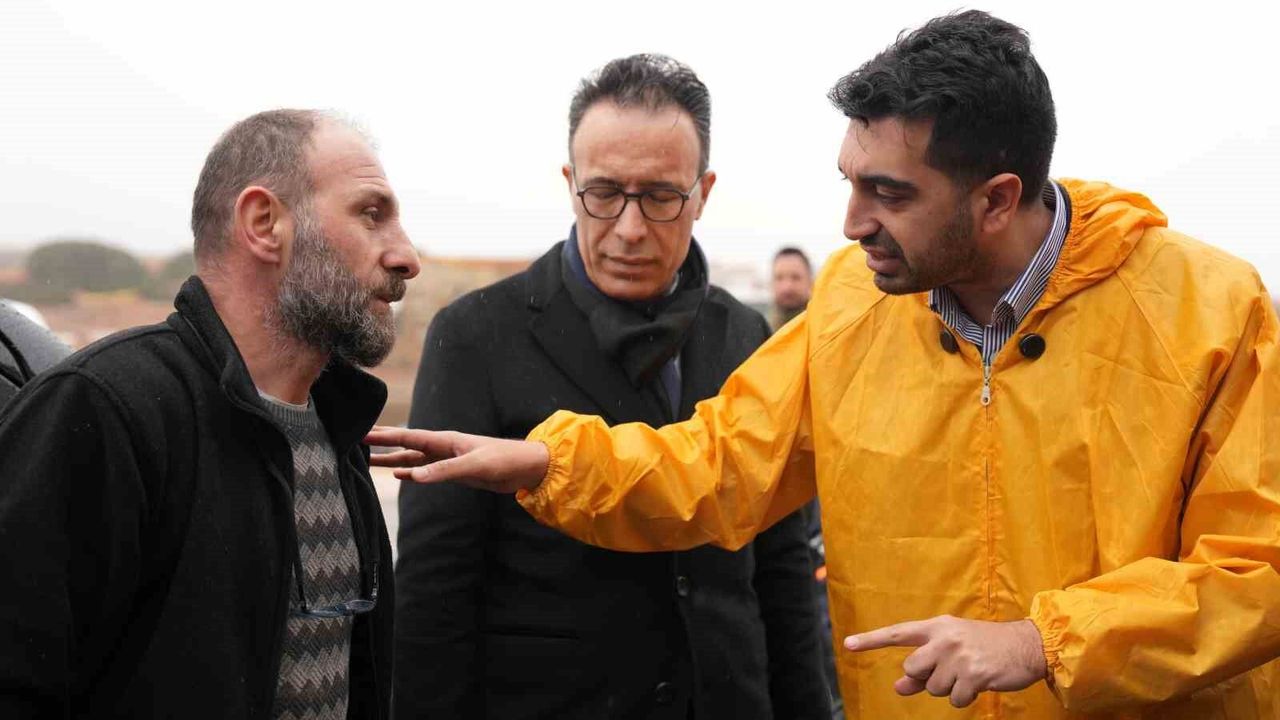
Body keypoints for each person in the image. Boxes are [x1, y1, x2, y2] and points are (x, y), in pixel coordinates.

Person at [369, 11, 1280, 719]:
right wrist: (554, 462)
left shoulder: (1212, 310)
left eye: (888, 193)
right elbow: (724, 463)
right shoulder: (850, 302)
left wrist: (1045, 642)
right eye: (849, 180)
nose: (851, 223)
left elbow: (1260, 572)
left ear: (998, 199)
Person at [393, 54, 828, 720]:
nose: (629, 228)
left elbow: (782, 565)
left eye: (660, 196)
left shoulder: (748, 336)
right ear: (570, 184)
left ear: (703, 192)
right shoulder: (476, 335)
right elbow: (435, 587)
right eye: (604, 193)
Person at [0, 109, 419, 718]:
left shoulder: (340, 429)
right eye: (371, 214)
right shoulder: (105, 410)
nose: (406, 256)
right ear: (264, 224)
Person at [768, 246, 813, 331]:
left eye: (795, 277)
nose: (787, 287)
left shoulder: (825, 330)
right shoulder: (761, 333)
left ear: (810, 281)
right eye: (779, 278)